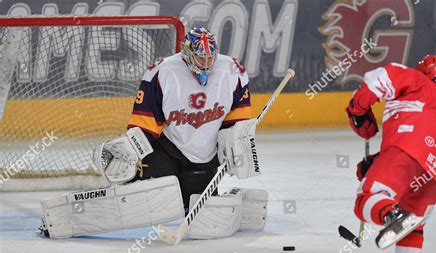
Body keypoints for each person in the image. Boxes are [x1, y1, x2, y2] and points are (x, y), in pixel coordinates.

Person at [40, 27, 268, 240]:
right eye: (201, 58)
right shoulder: (161, 72)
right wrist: (130, 151)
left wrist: (234, 145)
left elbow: (236, 120)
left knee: (198, 212)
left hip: (206, 159)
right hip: (168, 151)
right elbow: (146, 124)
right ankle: (70, 216)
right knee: (141, 198)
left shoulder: (233, 71)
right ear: (187, 54)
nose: (207, 64)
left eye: (211, 58)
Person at [345, 54, 436, 253]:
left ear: (423, 71)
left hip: (407, 148)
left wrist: (358, 110)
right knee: (414, 227)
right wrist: (377, 162)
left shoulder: (415, 78)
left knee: (366, 199)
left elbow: (378, 80)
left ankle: (392, 215)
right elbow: (429, 144)